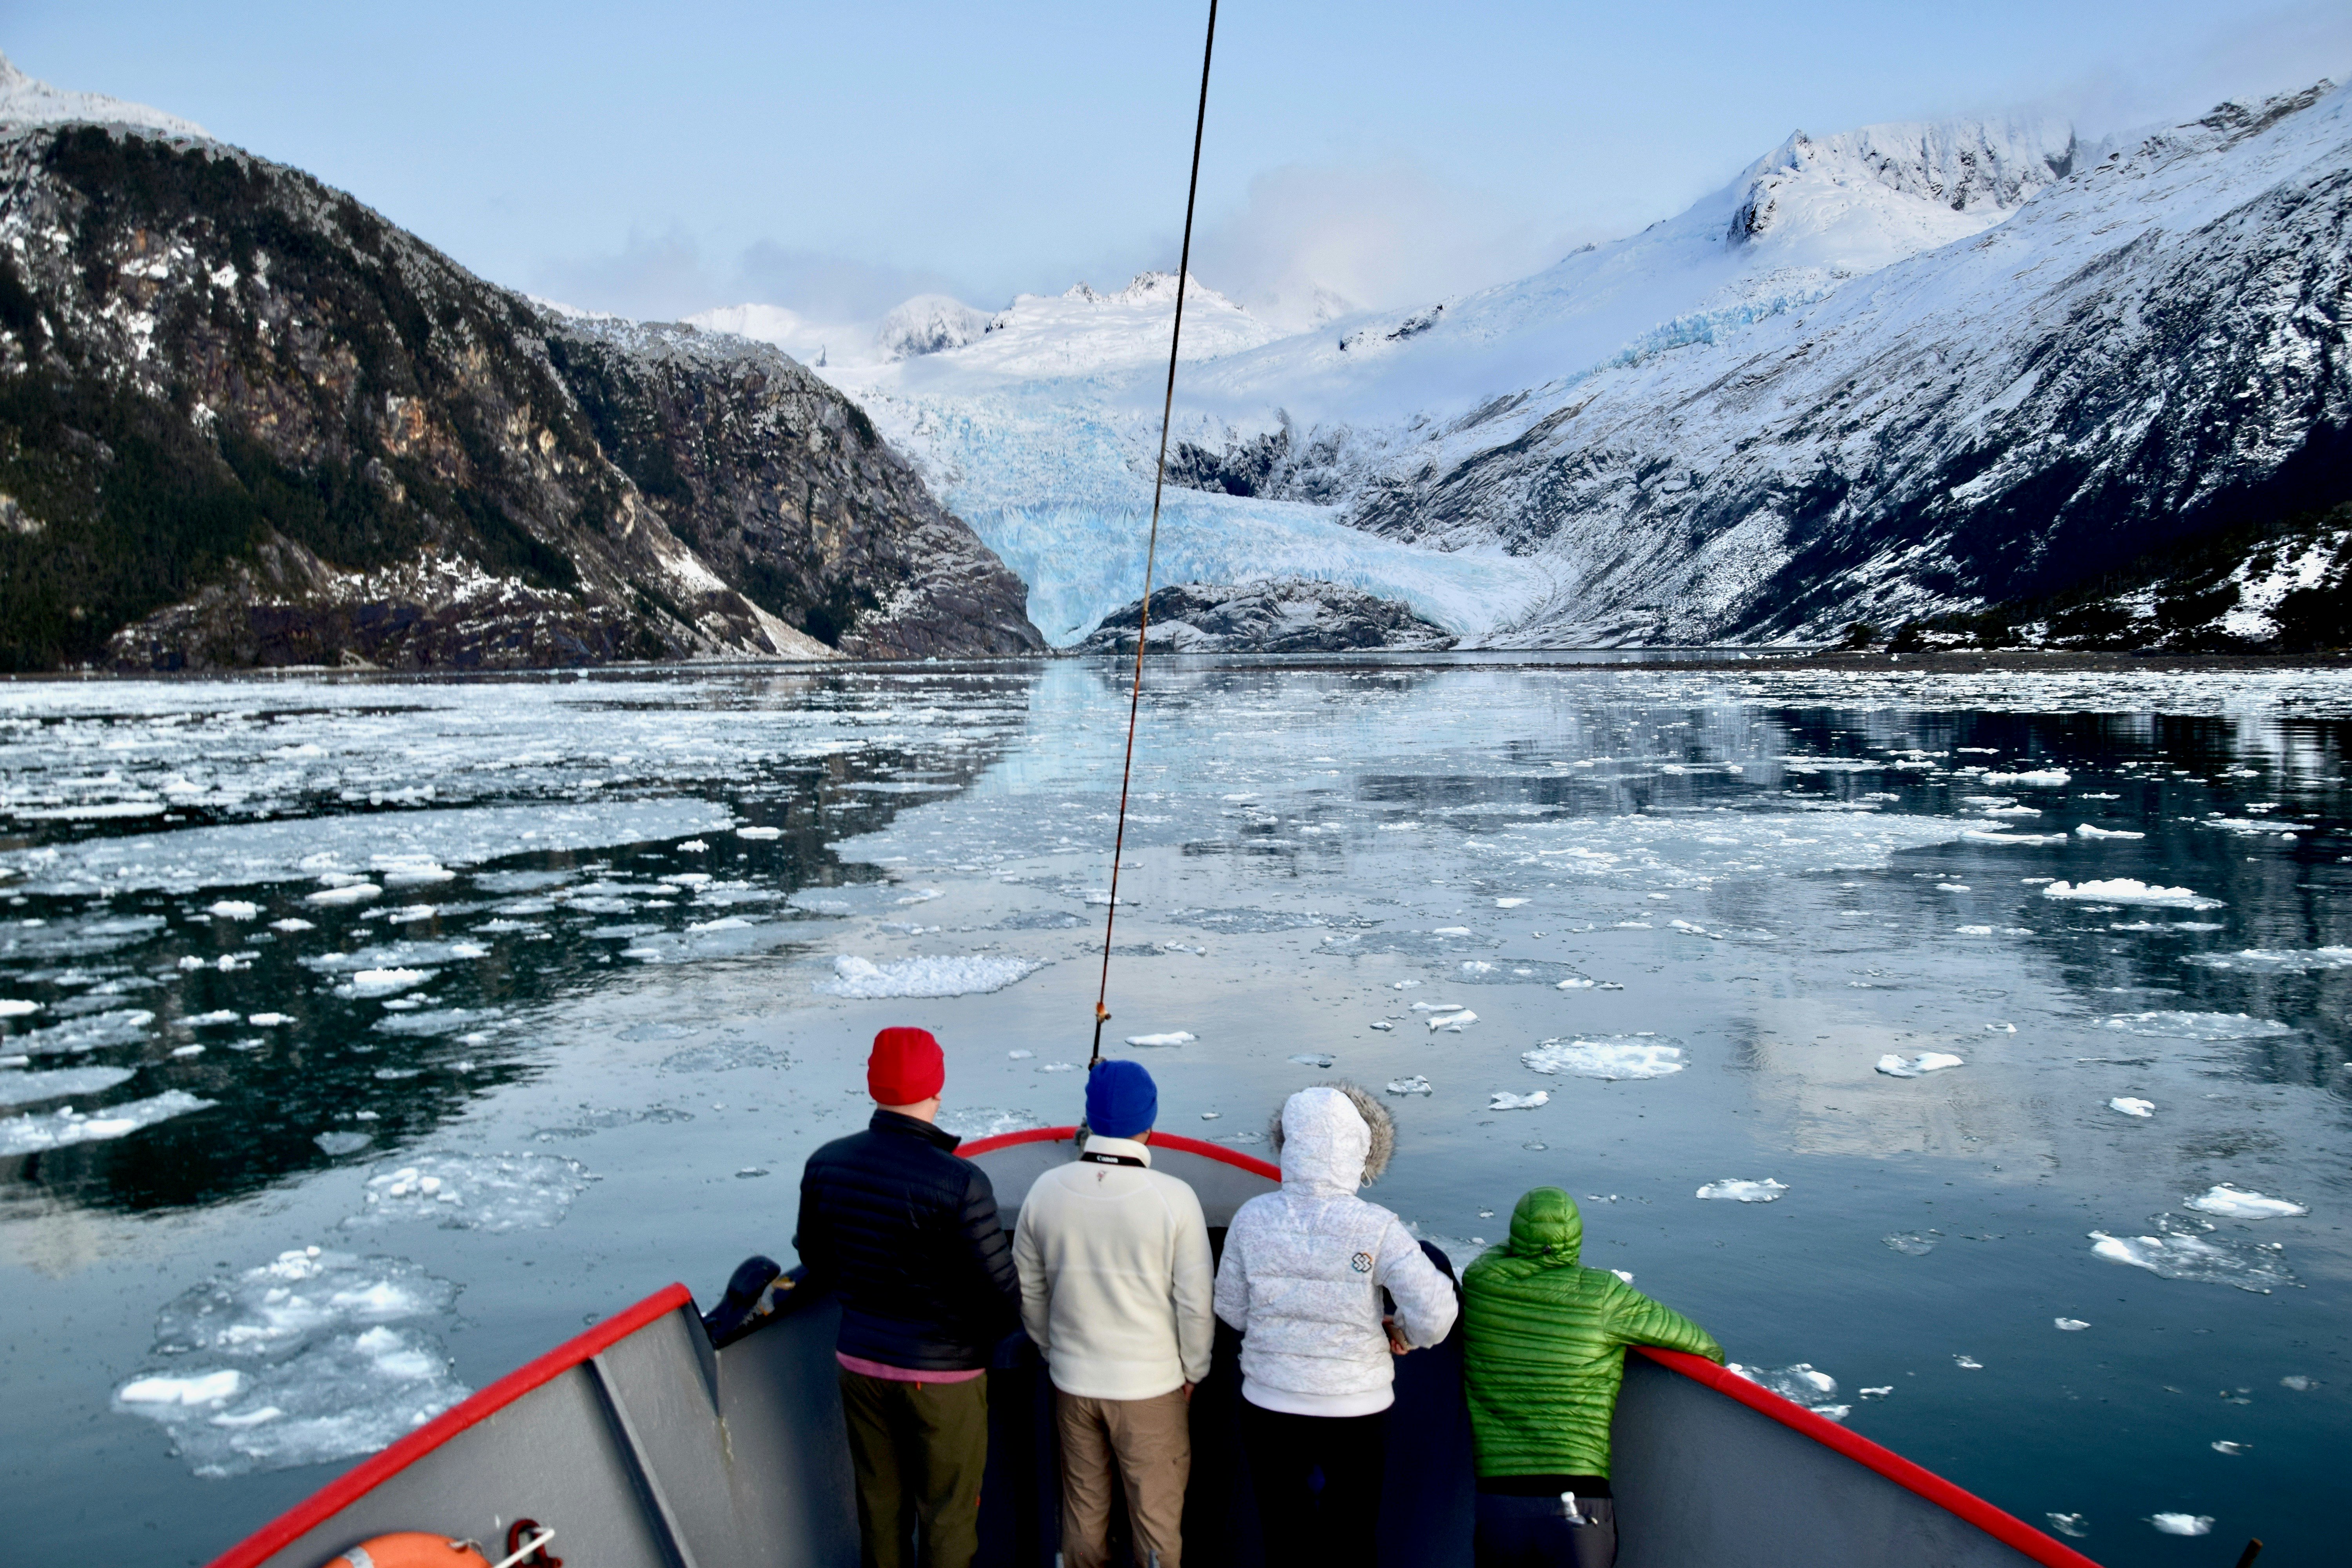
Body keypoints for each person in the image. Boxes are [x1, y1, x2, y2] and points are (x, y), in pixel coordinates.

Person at [795, 1026, 1021, 1568]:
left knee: (878, 1506)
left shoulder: (827, 1163)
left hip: (861, 1362)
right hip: (942, 1376)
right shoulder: (961, 1182)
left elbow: (816, 1257)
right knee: (948, 1514)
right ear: (938, 1087)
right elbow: (1000, 1293)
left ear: (873, 1085)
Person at [1213, 1083, 1458, 1563]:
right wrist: (1404, 1333)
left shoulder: (1251, 1219)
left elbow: (1231, 1309)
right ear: (1359, 1151)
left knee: (1286, 1538)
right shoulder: (1376, 1226)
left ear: (1289, 1145)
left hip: (1270, 1403)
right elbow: (1436, 1310)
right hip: (1357, 1409)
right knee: (1352, 1537)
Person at [1011, 1060, 1214, 1568]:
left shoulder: (1045, 1192)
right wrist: (1194, 1370)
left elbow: (1029, 1290)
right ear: (1150, 1123)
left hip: (1074, 1384)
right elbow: (1194, 1304)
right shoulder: (1175, 1200)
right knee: (1155, 1522)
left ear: (1091, 1118)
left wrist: (1054, 1350)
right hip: (1150, 1389)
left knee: (1082, 1515)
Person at [1461, 1186, 1724, 1568]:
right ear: (1576, 1236)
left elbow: (1495, 1256)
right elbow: (1704, 1345)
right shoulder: (1603, 1296)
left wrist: (1532, 1248)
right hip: (1578, 1504)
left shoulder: (1484, 1283)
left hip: (1500, 1503)